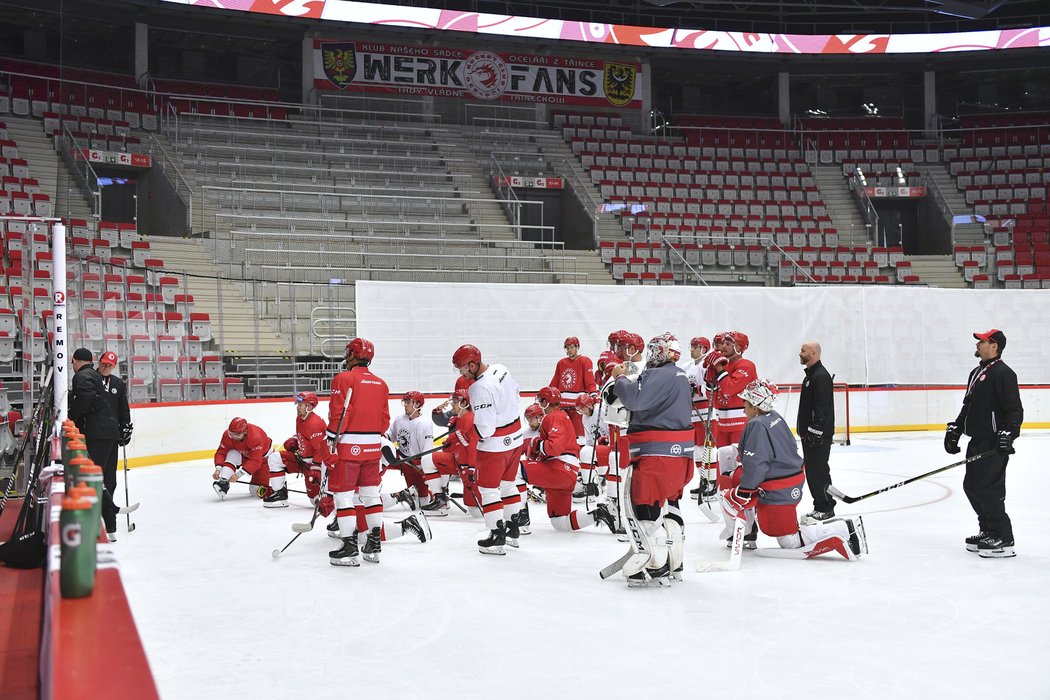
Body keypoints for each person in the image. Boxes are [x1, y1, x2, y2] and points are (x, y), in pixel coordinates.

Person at [721, 379, 866, 560]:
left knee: (789, 542)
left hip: (779, 486)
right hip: (791, 479)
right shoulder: (774, 416)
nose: (743, 408)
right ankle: (746, 532)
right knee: (726, 458)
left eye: (746, 403)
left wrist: (744, 491)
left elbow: (756, 463)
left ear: (756, 406)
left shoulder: (756, 424)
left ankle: (842, 528)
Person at [608, 332, 694, 586]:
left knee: (645, 508)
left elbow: (634, 400)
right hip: (681, 455)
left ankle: (651, 563)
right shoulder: (678, 375)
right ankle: (675, 563)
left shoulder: (659, 374)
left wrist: (620, 378)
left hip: (656, 454)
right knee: (671, 506)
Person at [945, 329, 1023, 558]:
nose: (978, 344)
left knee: (988, 489)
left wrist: (1009, 433)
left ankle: (1003, 536)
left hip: (993, 442)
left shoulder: (1003, 373)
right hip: (977, 440)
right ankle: (988, 529)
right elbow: (967, 406)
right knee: (972, 487)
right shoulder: (976, 372)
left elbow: (1014, 409)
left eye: (982, 341)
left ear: (994, 345)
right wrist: (956, 428)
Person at [453, 344, 524, 555]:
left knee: (489, 489)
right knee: (509, 485)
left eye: (463, 369)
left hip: (495, 447)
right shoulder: (501, 369)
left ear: (473, 365)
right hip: (516, 439)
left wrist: (465, 436)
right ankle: (512, 530)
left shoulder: (479, 388)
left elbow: (485, 428)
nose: (462, 373)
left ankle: (496, 535)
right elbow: (517, 394)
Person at [326, 338, 391, 566]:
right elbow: (385, 421)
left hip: (348, 448)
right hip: (373, 448)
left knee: (344, 496)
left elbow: (338, 415)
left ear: (352, 354)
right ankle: (374, 544)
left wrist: (331, 440)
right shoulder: (381, 384)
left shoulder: (343, 379)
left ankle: (349, 547)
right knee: (371, 494)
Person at [521, 387, 616, 533]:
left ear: (547, 402)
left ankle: (520, 520)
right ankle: (598, 514)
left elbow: (554, 448)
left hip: (559, 468)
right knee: (559, 523)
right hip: (565, 473)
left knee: (516, 471)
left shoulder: (554, 416)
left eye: (541, 401)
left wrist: (537, 444)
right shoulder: (560, 417)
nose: (539, 404)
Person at [68, 348, 129, 541]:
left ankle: (103, 524)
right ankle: (108, 524)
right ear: (97, 361)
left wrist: (71, 416)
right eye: (104, 363)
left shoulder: (88, 377)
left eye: (110, 365)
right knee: (103, 480)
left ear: (74, 361)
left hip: (100, 435)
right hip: (106, 433)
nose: (106, 367)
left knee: (101, 480)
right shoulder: (95, 377)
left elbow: (119, 407)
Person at [704, 331, 758, 543]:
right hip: (722, 423)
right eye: (721, 342)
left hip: (740, 425)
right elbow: (710, 390)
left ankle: (750, 527)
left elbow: (727, 389)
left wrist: (718, 368)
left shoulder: (746, 366)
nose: (722, 345)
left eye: (728, 342)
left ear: (741, 346)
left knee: (741, 478)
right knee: (725, 479)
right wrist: (710, 370)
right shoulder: (723, 364)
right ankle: (735, 526)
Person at [385, 391, 446, 514]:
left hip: (416, 465)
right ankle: (369, 487)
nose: (405, 405)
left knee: (421, 501)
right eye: (405, 402)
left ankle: (408, 494)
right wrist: (382, 436)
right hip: (401, 459)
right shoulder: (399, 419)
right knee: (377, 457)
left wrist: (426, 473)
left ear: (418, 404)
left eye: (408, 402)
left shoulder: (424, 423)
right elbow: (391, 436)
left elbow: (427, 454)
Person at [797, 341, 837, 523]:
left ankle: (826, 507)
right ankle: (820, 506)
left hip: (817, 437)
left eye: (803, 350)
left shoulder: (820, 376)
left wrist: (815, 432)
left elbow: (822, 409)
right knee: (813, 472)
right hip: (811, 436)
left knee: (819, 471)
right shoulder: (811, 376)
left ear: (813, 353)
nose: (800, 353)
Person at [213, 417, 289, 506]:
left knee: (255, 490)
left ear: (245, 431)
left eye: (236, 435)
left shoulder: (256, 436)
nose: (233, 437)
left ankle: (278, 489)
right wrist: (218, 469)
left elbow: (255, 461)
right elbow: (221, 452)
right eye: (231, 434)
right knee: (232, 453)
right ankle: (223, 482)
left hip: (263, 460)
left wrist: (237, 475)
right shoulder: (228, 435)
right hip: (245, 455)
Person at [682, 337, 715, 500]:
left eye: (696, 347)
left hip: (706, 410)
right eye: (692, 346)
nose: (692, 349)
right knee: (696, 449)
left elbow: (713, 386)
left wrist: (697, 389)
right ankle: (703, 481)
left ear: (704, 349)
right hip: (690, 411)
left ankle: (713, 482)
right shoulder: (686, 366)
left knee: (707, 448)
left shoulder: (707, 366)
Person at [550, 336, 597, 439]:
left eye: (572, 347)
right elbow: (555, 382)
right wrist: (547, 395)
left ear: (577, 347)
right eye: (567, 347)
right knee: (562, 435)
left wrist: (594, 394)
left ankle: (581, 453)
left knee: (579, 436)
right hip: (562, 406)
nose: (569, 350)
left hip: (578, 407)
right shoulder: (561, 363)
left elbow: (590, 381)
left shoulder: (585, 361)